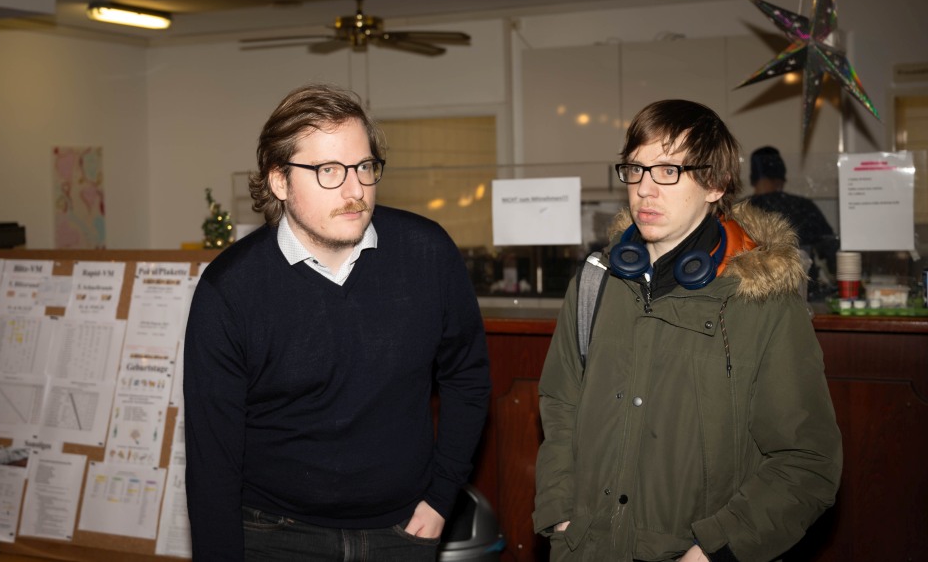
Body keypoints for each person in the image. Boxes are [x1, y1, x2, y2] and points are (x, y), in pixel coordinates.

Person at [183, 84, 491, 561]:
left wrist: (441, 497)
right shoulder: (230, 289)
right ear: (279, 181)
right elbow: (211, 458)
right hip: (274, 533)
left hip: (402, 530)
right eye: (328, 170)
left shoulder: (427, 253)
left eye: (364, 167)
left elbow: (467, 377)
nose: (354, 191)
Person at [534, 100, 842, 562]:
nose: (645, 189)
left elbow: (806, 462)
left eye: (668, 171)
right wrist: (562, 518)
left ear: (716, 184)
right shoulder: (595, 282)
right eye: (635, 169)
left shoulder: (764, 302)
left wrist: (711, 552)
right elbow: (560, 407)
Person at [747, 146, 838, 294]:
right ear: (782, 179)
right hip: (801, 295)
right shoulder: (803, 207)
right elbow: (831, 250)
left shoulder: (740, 211)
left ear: (752, 180)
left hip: (753, 295)